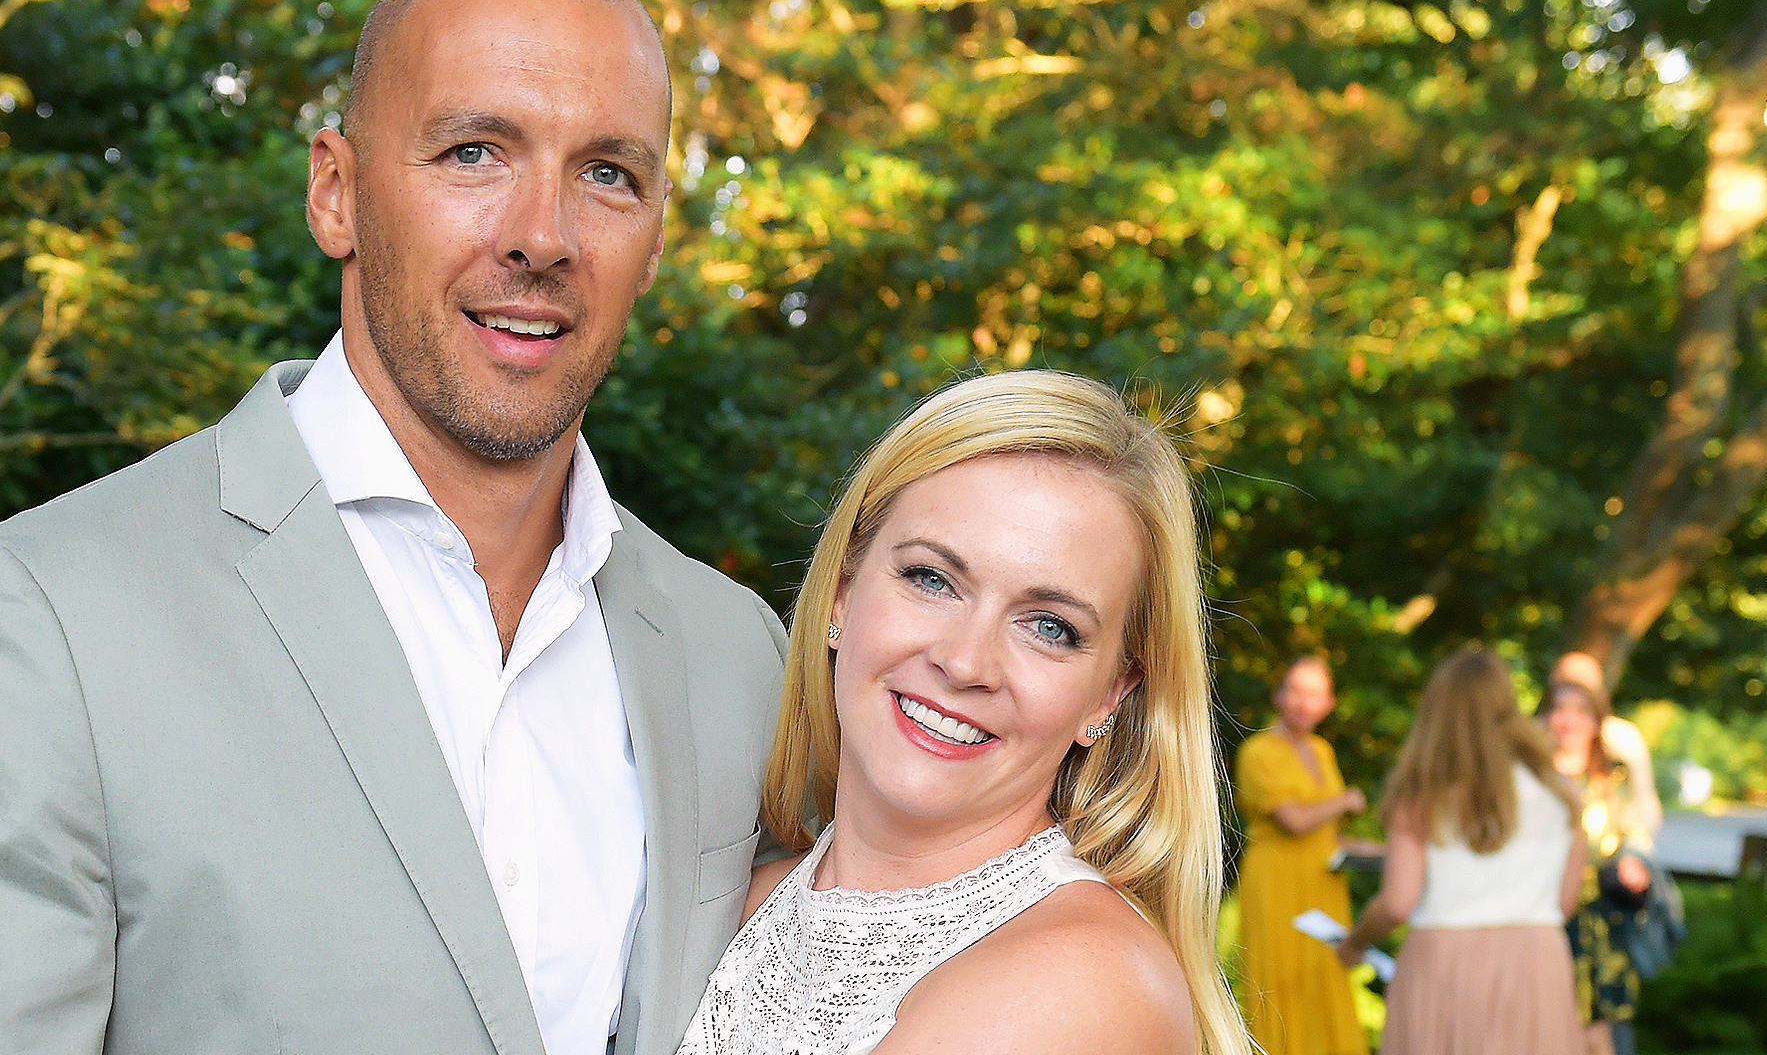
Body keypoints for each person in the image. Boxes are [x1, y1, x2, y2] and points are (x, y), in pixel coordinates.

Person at [0, 0, 789, 1055]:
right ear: (336, 193)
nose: (542, 236)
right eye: (474, 152)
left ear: (656, 238)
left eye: (608, 174)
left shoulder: (737, 657)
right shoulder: (40, 620)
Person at [677, 370, 1248, 1055]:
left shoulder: (1085, 981)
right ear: (841, 593)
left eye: (1048, 626)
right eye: (932, 579)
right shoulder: (731, 900)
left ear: (1109, 695)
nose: (967, 662)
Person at [1337, 646, 1585, 1055]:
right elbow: (1564, 901)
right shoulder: (1563, 795)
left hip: (1445, 962)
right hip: (1537, 962)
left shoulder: (1421, 796)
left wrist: (1355, 943)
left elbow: (1398, 903)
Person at [1235, 657, 1371, 1055]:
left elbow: (1324, 830)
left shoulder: (1323, 751)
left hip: (1323, 882)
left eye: (1313, 694)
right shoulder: (1257, 751)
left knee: (1326, 979)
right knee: (1279, 983)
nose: (1302, 702)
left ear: (1328, 703)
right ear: (1278, 695)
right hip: (1277, 882)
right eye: (1294, 689)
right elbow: (1293, 820)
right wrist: (1345, 800)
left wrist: (1364, 848)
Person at [1541, 680, 1650, 1055]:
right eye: (1559, 709)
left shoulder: (1612, 780)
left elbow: (1637, 832)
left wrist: (1634, 862)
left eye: (1581, 711)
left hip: (1603, 928)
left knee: (1603, 1036)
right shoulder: (1527, 781)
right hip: (1545, 924)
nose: (1568, 720)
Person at [1550, 652, 1663, 843]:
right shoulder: (1529, 739)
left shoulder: (1624, 739)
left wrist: (1635, 852)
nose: (1570, 720)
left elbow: (1645, 807)